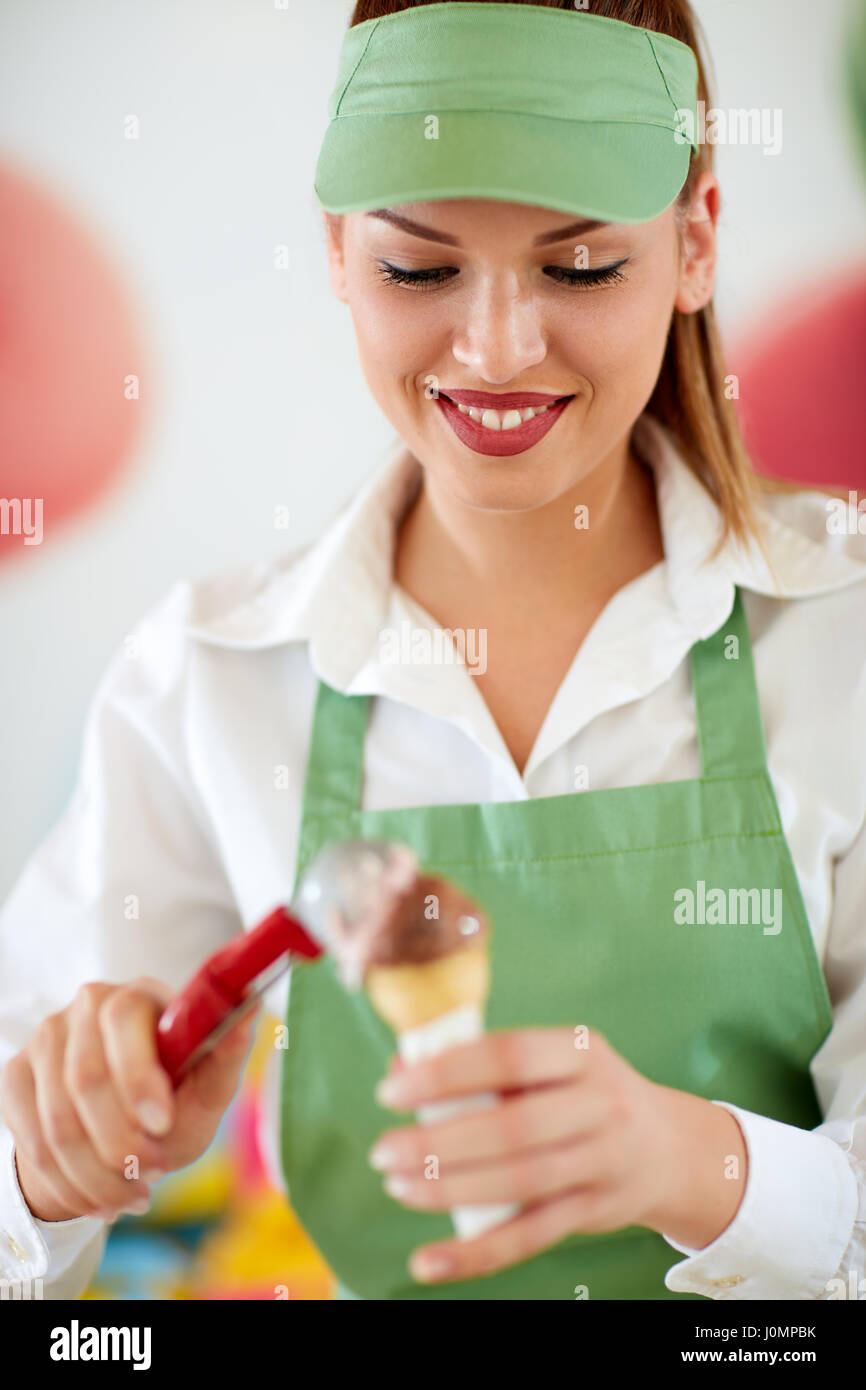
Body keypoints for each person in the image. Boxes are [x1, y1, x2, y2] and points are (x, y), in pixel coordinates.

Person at [1, 0, 865, 1302]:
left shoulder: (842, 633)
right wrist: (58, 1154)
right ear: (339, 251)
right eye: (419, 269)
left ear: (693, 241)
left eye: (578, 269)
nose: (498, 347)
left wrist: (701, 1163)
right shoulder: (208, 678)